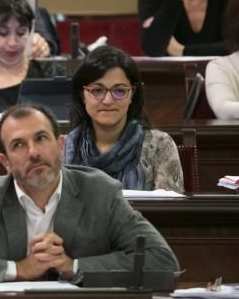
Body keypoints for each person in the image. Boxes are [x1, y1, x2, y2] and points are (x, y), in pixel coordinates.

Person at [0, 103, 178, 283]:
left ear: (60, 144)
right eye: (19, 145)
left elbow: (161, 260)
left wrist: (72, 266)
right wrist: (19, 269)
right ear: (5, 162)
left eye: (41, 138)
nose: (33, 152)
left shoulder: (100, 190)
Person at [64, 46, 184, 192]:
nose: (108, 100)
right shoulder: (63, 149)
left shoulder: (159, 145)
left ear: (132, 94)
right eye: (97, 90)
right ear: (82, 95)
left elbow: (170, 212)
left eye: (119, 91)